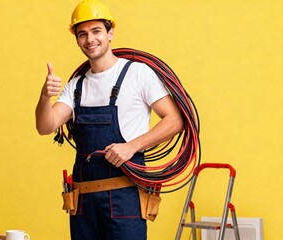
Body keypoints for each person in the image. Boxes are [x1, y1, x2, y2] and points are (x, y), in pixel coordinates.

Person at [35, 0, 183, 239]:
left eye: (96, 31)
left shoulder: (137, 74)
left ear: (110, 32)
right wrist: (45, 96)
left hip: (125, 197)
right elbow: (46, 126)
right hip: (82, 201)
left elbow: (175, 120)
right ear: (77, 40)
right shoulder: (76, 86)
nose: (89, 39)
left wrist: (132, 146)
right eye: (82, 34)